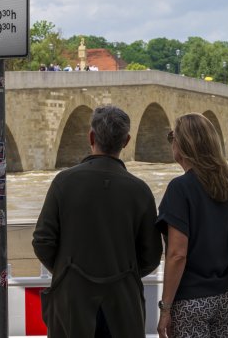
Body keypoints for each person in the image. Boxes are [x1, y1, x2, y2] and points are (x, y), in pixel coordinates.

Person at [33, 105, 162, 337]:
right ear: (126, 141)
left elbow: (43, 241)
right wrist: (122, 272)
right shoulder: (139, 191)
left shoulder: (64, 183)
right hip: (123, 305)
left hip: (72, 302)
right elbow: (151, 255)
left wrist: (68, 271)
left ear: (91, 137)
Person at [156, 113, 228, 338]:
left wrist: (166, 308)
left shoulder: (180, 188)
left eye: (172, 137)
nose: (171, 143)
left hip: (192, 300)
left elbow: (177, 254)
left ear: (184, 144)